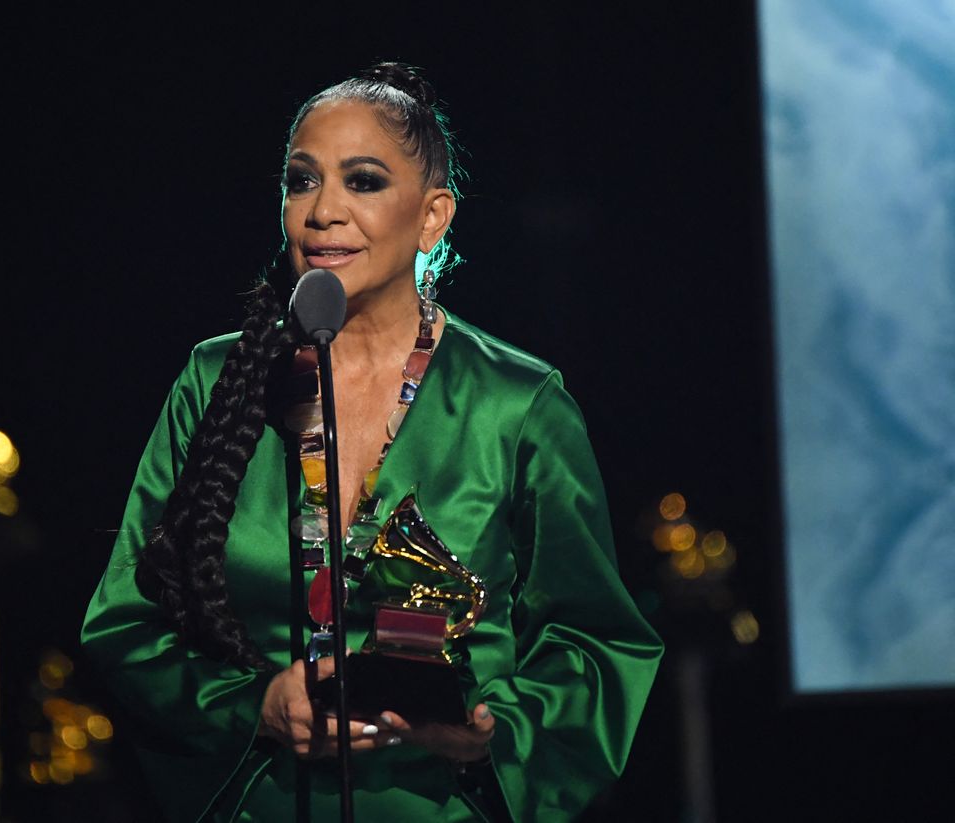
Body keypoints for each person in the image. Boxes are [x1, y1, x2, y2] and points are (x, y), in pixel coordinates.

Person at [81, 63, 663, 822]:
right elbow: (124, 621)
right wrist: (253, 705)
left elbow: (596, 642)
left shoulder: (519, 404)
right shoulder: (215, 378)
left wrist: (493, 732)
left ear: (432, 216)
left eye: (362, 181)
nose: (322, 211)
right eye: (300, 181)